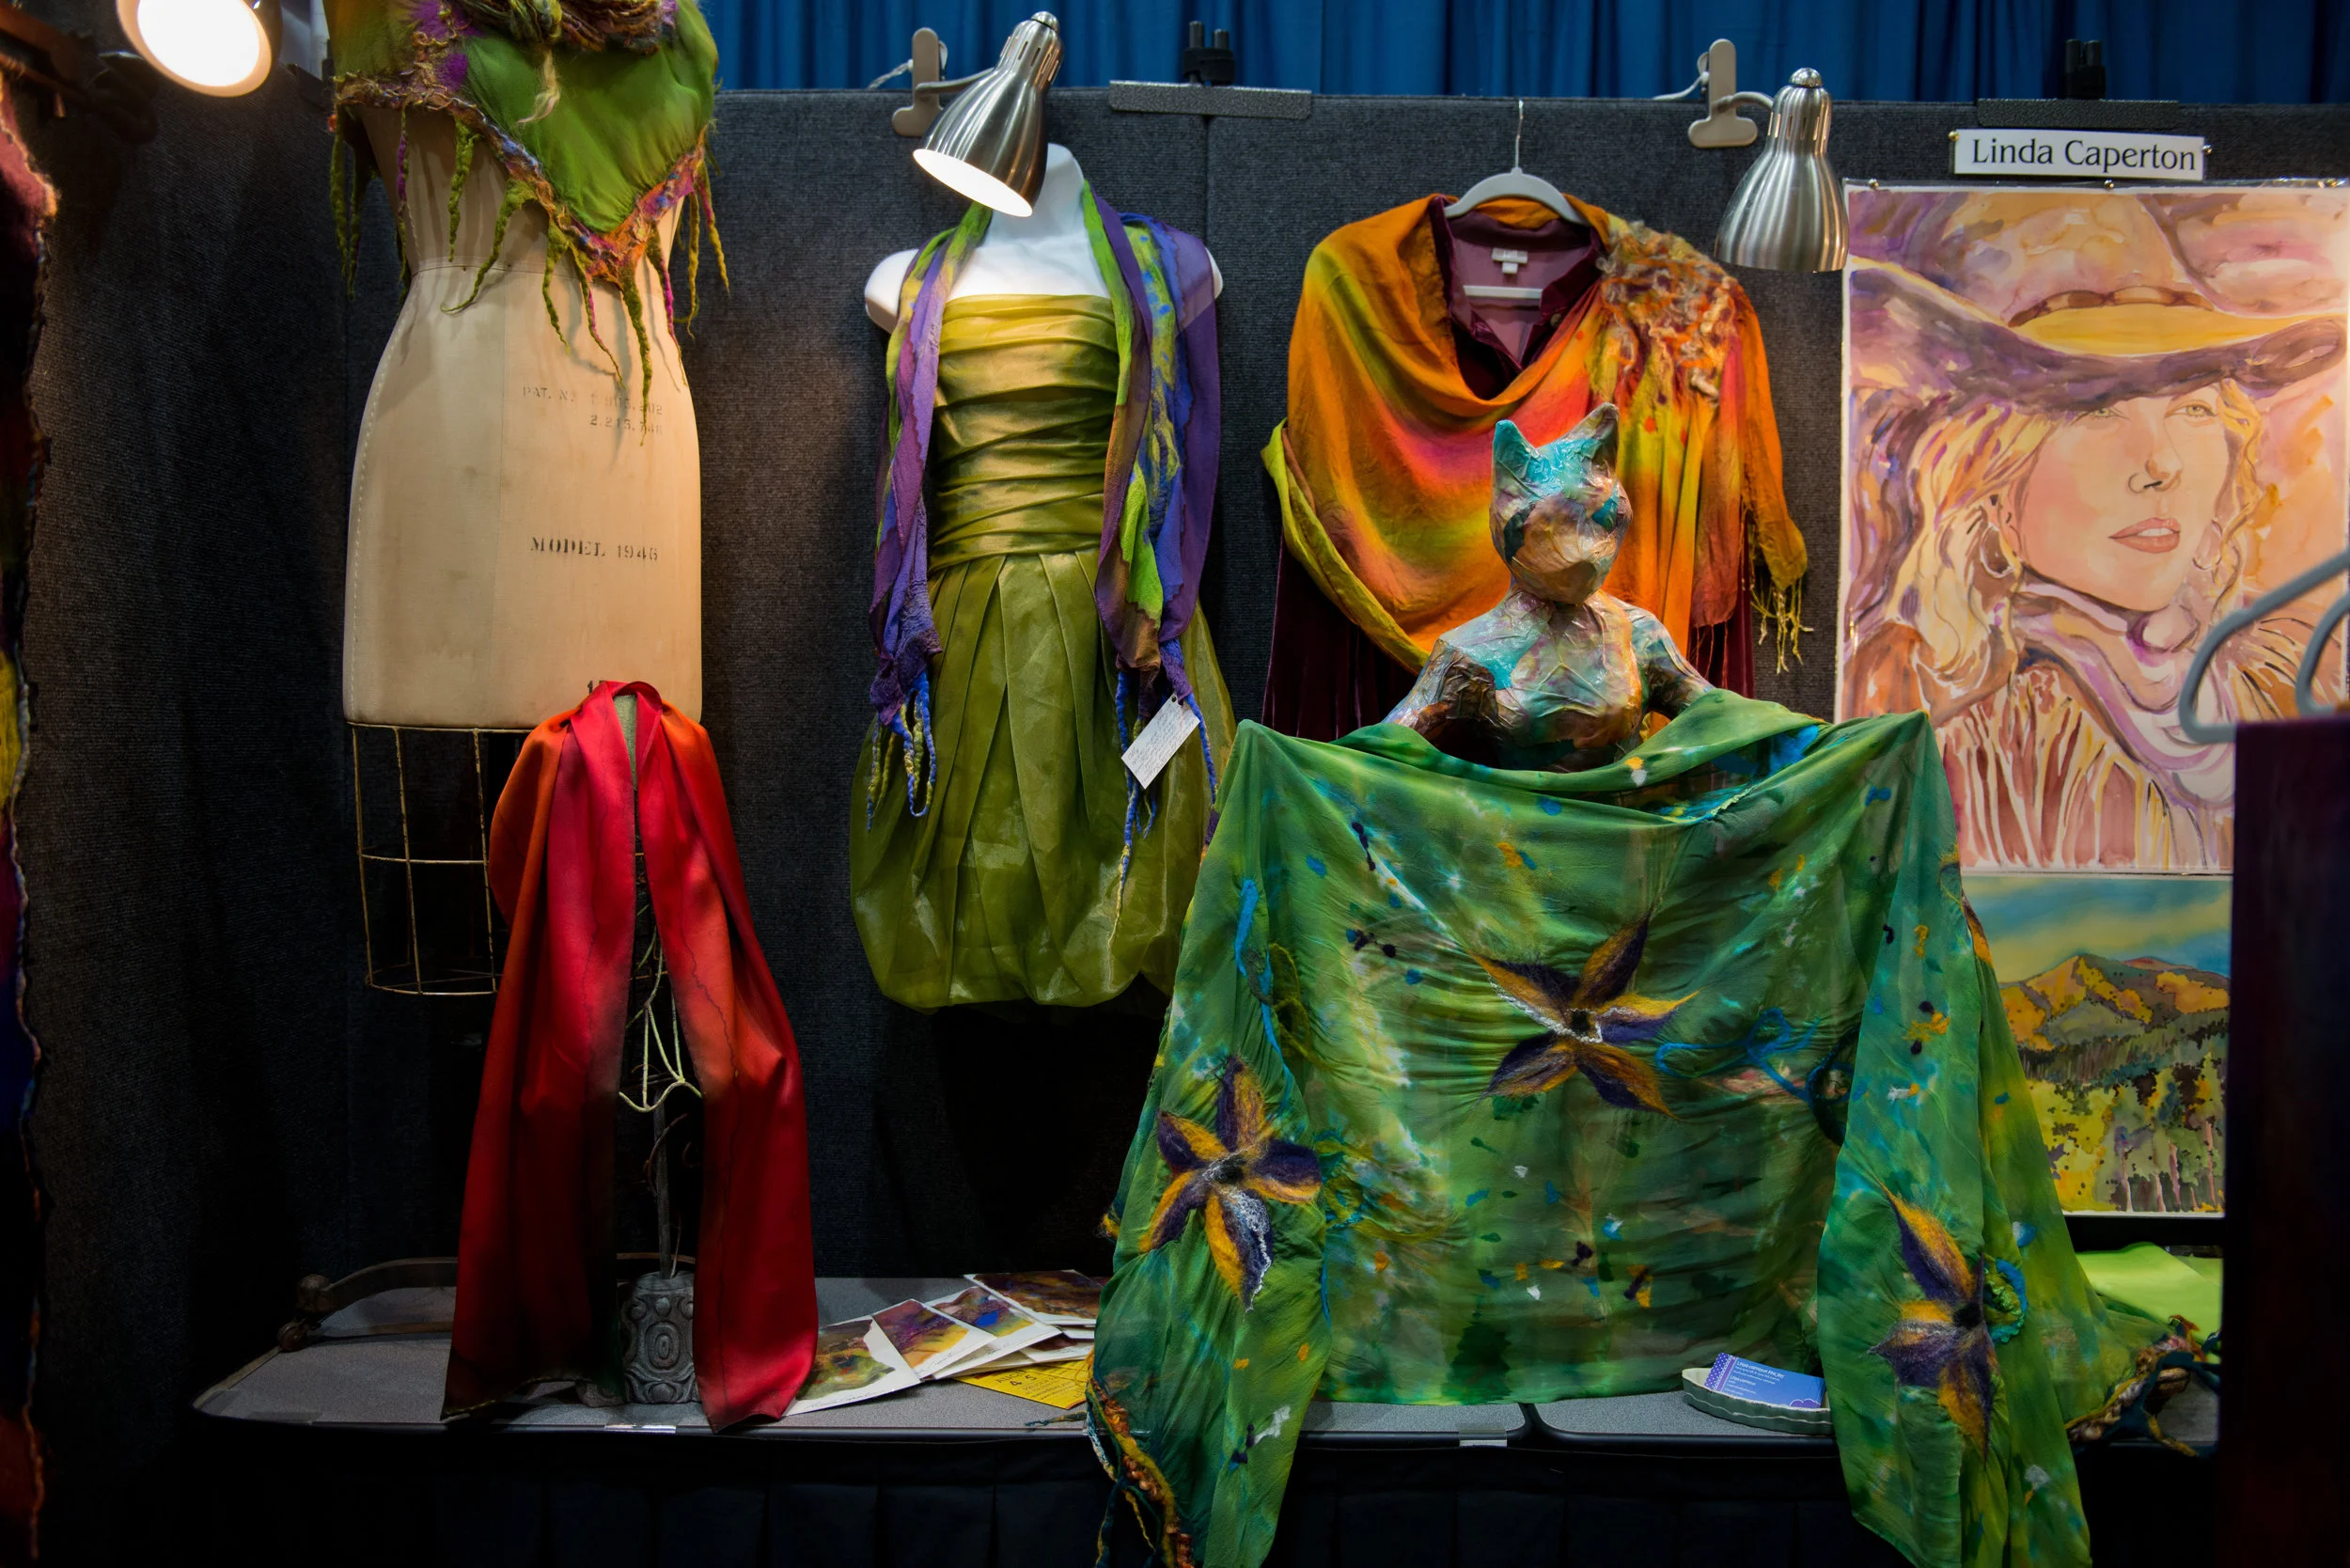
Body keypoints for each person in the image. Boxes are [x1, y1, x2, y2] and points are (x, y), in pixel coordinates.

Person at [1840, 210, 2345, 871]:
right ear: (1993, 477)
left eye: (2194, 409)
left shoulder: (2285, 670)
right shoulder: (1975, 745)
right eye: (2098, 412)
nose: (2161, 464)